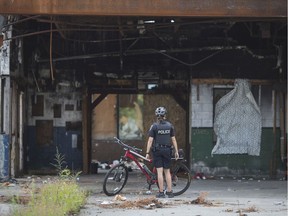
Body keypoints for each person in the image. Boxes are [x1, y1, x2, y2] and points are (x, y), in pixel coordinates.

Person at [145, 106, 179, 198]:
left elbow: (150, 141)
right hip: (167, 150)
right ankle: (170, 192)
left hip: (157, 150)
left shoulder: (154, 126)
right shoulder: (170, 126)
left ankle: (161, 192)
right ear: (165, 115)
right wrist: (176, 151)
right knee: (167, 172)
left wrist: (147, 152)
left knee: (159, 172)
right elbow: (174, 140)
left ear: (156, 116)